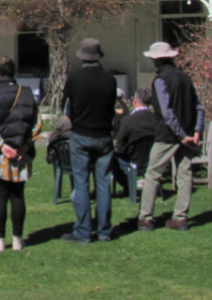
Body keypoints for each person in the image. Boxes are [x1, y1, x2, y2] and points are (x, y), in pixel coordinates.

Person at [138, 42, 204, 232]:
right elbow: (199, 106)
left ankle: (145, 218)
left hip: (169, 135)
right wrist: (196, 130)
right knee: (185, 175)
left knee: (152, 175)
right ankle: (180, 218)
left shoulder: (160, 80)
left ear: (155, 60)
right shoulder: (185, 78)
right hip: (188, 134)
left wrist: (181, 135)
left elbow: (167, 113)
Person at [0, 56, 42, 252]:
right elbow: (37, 123)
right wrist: (23, 146)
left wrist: (1, 146)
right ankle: (17, 238)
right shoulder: (26, 93)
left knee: (0, 196)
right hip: (20, 153)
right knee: (17, 196)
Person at [61, 38, 117, 244]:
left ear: (83, 57)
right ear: (98, 56)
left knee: (82, 184)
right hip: (103, 135)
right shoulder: (110, 80)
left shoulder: (75, 79)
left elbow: (65, 108)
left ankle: (83, 231)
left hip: (81, 135)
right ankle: (104, 231)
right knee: (103, 184)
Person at [113, 88, 156, 192]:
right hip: (152, 159)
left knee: (111, 159)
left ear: (135, 100)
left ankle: (127, 186)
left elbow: (119, 145)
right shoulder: (156, 119)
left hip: (132, 160)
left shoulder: (128, 120)